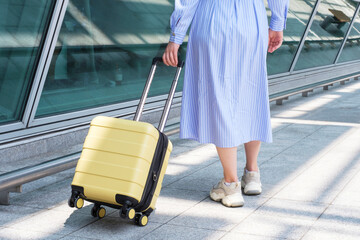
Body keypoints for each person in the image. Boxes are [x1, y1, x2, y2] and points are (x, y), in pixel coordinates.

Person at [163, 0, 289, 207]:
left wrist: (176, 37)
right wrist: (277, 23)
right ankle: (252, 173)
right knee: (251, 93)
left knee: (220, 97)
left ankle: (230, 184)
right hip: (252, 21)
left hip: (214, 20)